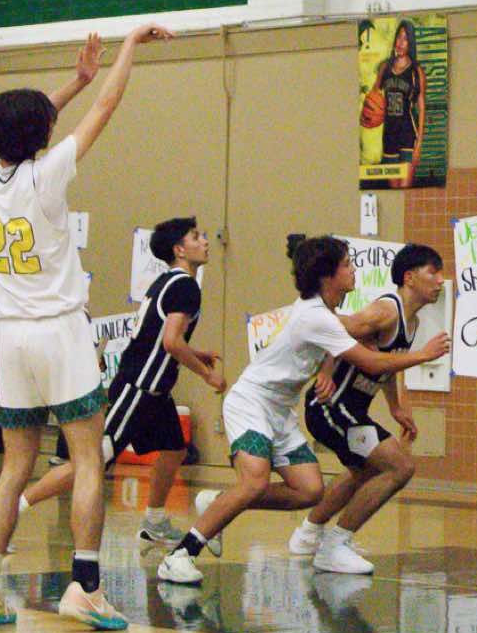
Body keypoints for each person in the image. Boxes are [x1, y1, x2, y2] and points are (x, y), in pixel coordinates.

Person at [0, 24, 169, 632]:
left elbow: (26, 126)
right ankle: (85, 587)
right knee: (87, 461)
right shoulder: (46, 174)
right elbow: (108, 105)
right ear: (42, 136)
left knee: (13, 468)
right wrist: (126, 49)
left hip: (12, 336)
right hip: (59, 331)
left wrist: (74, 80)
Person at [157, 234, 449, 586]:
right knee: (254, 482)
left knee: (309, 491)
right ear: (328, 276)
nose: (354, 270)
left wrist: (331, 371)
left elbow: (344, 341)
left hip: (281, 410)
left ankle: (221, 503)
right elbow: (369, 359)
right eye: (347, 265)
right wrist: (424, 355)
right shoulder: (316, 316)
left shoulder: (324, 314)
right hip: (252, 402)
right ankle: (180, 554)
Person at [18, 217, 223, 542]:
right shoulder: (185, 286)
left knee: (174, 449)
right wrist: (207, 374)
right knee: (93, 461)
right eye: (196, 237)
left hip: (155, 391)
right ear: (180, 249)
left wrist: (195, 353)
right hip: (139, 388)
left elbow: (158, 336)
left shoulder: (165, 282)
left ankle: (154, 521)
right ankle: (14, 506)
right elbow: (171, 342)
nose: (206, 241)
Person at [290, 243, 450, 573]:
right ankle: (335, 544)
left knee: (364, 470)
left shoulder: (411, 320)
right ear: (409, 277)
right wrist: (325, 370)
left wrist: (395, 406)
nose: (440, 281)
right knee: (399, 467)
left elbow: (386, 362)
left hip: (351, 410)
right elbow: (335, 330)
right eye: (433, 273)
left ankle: (308, 534)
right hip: (330, 406)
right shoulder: (385, 311)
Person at [375, 21, 426, 188]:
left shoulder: (416, 71)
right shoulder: (385, 67)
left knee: (405, 189)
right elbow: (374, 96)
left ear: (411, 42)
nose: (401, 42)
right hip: (389, 134)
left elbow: (421, 106)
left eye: (405, 39)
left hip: (408, 134)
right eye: (399, 37)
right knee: (394, 190)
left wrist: (419, 143)